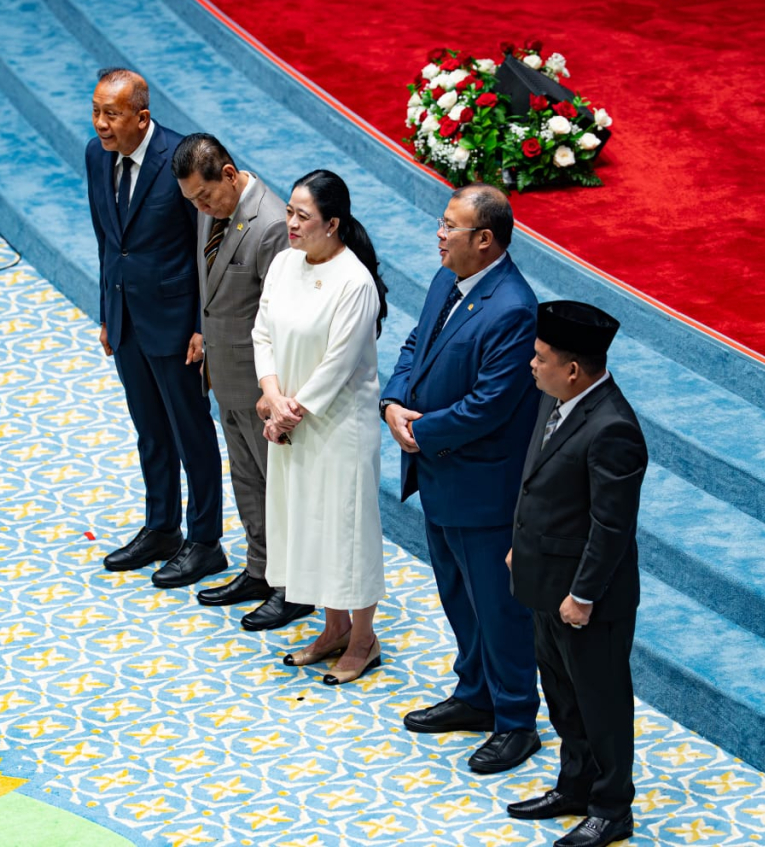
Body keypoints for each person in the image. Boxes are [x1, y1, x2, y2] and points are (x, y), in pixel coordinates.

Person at [380, 184, 541, 773]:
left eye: (450, 226)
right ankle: (475, 695)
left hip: (483, 489)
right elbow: (417, 344)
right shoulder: (450, 277)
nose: (439, 234)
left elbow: (491, 405)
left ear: (485, 240)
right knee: (457, 597)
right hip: (441, 477)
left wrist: (422, 432)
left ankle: (517, 721)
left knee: (498, 610)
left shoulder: (514, 308)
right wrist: (394, 402)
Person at [506, 301, 647, 847]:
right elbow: (540, 481)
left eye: (540, 358)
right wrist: (522, 548)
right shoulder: (557, 399)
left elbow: (611, 527)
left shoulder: (614, 428)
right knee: (562, 693)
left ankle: (612, 808)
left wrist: (583, 595)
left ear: (573, 368)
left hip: (588, 601)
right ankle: (576, 783)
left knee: (602, 701)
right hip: (545, 584)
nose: (531, 365)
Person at [85, 68, 224, 587]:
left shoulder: (180, 159)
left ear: (142, 117)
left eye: (112, 114)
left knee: (191, 430)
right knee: (150, 430)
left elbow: (205, 247)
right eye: (97, 111)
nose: (101, 124)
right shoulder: (95, 155)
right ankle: (162, 526)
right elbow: (107, 238)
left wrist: (200, 326)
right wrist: (107, 310)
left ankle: (205, 540)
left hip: (175, 324)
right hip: (126, 320)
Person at [170, 133, 314, 631]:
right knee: (247, 479)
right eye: (193, 200)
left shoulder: (272, 224)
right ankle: (259, 568)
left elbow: (281, 316)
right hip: (224, 372)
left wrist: (272, 390)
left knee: (277, 485)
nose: (200, 206)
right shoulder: (210, 205)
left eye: (205, 196)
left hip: (261, 385)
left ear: (229, 175)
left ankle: (293, 587)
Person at [252, 169, 389, 686]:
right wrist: (270, 394)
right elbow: (262, 330)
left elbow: (338, 363)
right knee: (308, 524)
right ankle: (332, 628)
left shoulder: (354, 282)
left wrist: (291, 410)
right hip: (286, 418)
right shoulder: (286, 264)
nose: (289, 223)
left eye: (301, 216)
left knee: (347, 531)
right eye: (288, 211)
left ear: (332, 224)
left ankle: (363, 638)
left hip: (338, 428)